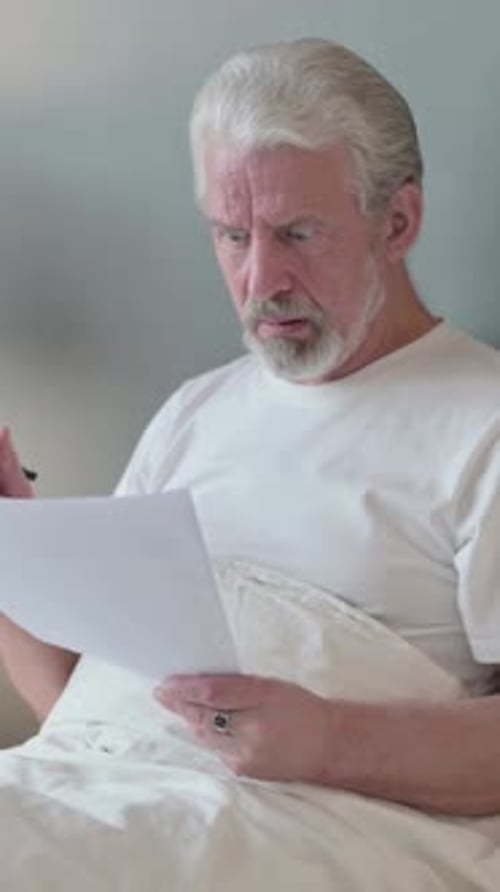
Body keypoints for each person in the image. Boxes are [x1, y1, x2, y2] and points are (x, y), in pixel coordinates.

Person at [1, 38, 500, 817]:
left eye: (298, 233)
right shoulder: (194, 415)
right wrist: (9, 551)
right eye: (233, 236)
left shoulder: (482, 426)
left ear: (397, 221)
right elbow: (89, 714)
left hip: (293, 830)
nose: (262, 281)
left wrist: (330, 738)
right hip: (107, 802)